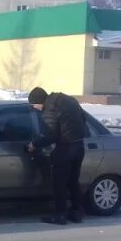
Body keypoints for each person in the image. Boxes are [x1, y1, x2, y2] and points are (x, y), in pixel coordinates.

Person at [27, 87, 87, 225]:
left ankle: (59, 215)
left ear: (39, 101)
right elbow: (84, 118)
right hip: (79, 146)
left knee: (59, 184)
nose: (35, 108)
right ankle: (76, 212)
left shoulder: (50, 109)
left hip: (65, 149)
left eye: (34, 105)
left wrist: (34, 144)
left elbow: (50, 135)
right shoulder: (68, 100)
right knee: (73, 181)